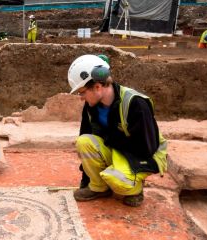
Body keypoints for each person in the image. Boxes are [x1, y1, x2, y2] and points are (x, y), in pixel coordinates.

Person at [68, 54, 167, 207]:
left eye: (82, 92)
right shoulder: (91, 106)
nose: (81, 97)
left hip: (143, 153)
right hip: (118, 148)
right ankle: (99, 188)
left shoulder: (136, 104)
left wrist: (114, 156)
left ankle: (135, 189)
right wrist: (86, 181)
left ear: (98, 87)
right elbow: (86, 136)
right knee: (84, 142)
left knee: (116, 179)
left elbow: (147, 148)